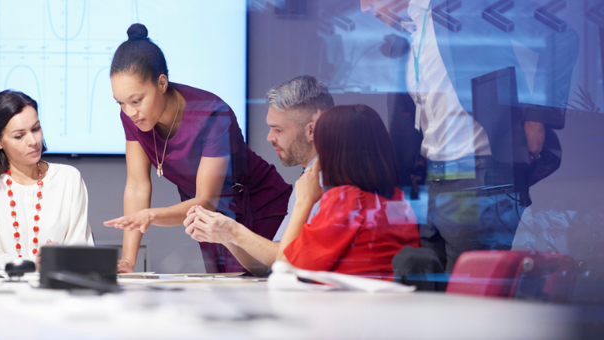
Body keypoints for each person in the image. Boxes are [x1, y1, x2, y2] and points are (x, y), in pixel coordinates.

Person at [361, 0, 578, 273]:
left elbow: (560, 35)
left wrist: (537, 118)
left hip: (479, 179)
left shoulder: (469, 5)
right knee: (426, 298)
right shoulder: (407, 38)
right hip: (430, 181)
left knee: (467, 301)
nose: (362, 7)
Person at [103, 24, 292, 274]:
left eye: (136, 101)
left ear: (162, 83)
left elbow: (206, 200)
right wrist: (128, 260)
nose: (129, 112)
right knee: (225, 297)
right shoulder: (131, 115)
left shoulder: (211, 114)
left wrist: (150, 216)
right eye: (121, 103)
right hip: (205, 217)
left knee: (269, 287)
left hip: (256, 204)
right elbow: (137, 185)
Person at [183, 75, 334, 276]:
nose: (270, 137)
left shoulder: (331, 183)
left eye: (278, 129)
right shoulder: (306, 181)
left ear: (311, 130)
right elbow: (269, 264)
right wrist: (225, 235)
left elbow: (287, 262)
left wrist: (234, 231)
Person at [276, 105, 420, 279]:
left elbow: (283, 269)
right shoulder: (398, 200)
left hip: (348, 304)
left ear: (332, 154)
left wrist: (303, 202)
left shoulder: (347, 201)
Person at [0, 90, 93, 269]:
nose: (33, 141)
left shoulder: (68, 179)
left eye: (36, 129)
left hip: (56, 291)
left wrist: (60, 258)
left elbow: (81, 249)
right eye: (19, 136)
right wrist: (30, 265)